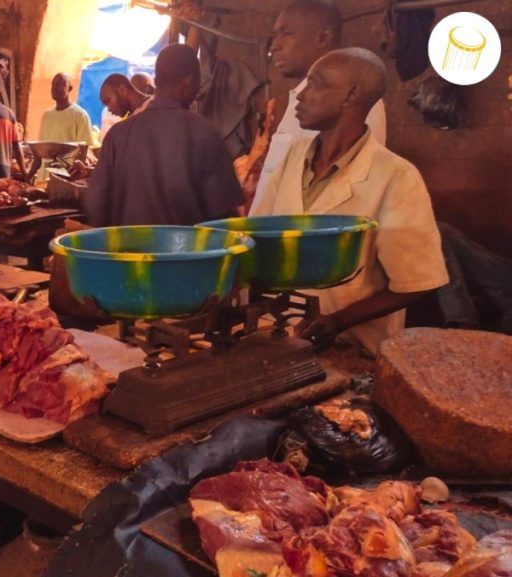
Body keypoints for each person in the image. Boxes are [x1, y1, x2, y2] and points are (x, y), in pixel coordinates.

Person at [251, 48, 447, 355]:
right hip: (281, 337)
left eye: (316, 84)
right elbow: (258, 235)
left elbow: (419, 281)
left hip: (353, 351)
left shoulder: (396, 176)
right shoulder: (294, 156)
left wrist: (339, 321)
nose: (301, 95)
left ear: (351, 95)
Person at [86, 45, 243, 227]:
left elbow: (96, 203)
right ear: (189, 81)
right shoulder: (205, 134)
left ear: (158, 80)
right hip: (189, 245)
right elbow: (224, 215)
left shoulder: (117, 135)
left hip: (128, 245)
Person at [253, 0, 387, 211]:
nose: (274, 45)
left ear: (323, 38)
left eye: (286, 34)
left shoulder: (357, 103)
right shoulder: (301, 96)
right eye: (275, 35)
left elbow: (351, 191)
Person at [30, 73, 97, 181]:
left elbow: (83, 152)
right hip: (43, 178)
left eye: (60, 84)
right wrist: (29, 175)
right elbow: (39, 154)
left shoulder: (80, 115)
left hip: (65, 178)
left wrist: (74, 176)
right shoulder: (46, 116)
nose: (54, 88)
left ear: (69, 88)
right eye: (53, 84)